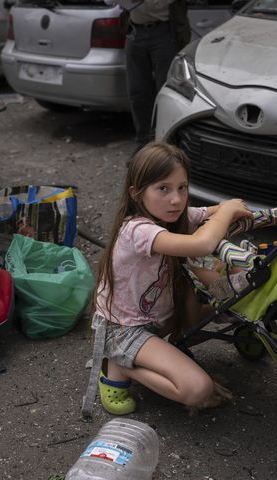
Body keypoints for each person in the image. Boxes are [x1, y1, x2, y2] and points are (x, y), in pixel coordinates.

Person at [81, 142, 252, 417]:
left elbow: (207, 213)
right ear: (137, 194)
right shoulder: (137, 230)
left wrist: (228, 208)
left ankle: (227, 311)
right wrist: (229, 210)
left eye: (182, 187)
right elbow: (202, 244)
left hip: (157, 318)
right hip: (123, 330)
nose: (176, 199)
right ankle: (121, 366)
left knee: (215, 291)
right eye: (163, 188)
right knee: (198, 390)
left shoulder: (172, 215)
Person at [121, 0, 191, 149]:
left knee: (166, 92)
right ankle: (143, 145)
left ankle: (165, 146)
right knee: (137, 92)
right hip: (135, 32)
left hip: (163, 31)